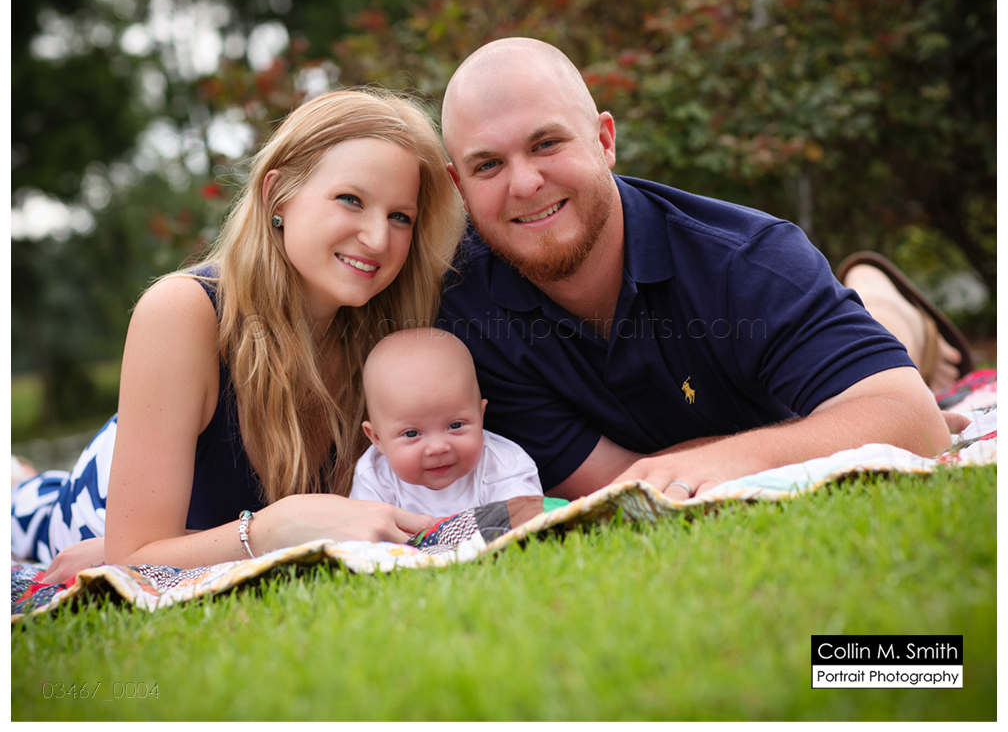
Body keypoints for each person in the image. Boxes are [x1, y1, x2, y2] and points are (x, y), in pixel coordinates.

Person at [436, 37, 964, 503]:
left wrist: (734, 457)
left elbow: (916, 424)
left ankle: (884, 297)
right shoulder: (464, 312)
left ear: (604, 141)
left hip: (788, 373)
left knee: (887, 338)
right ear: (459, 187)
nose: (524, 183)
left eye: (546, 144)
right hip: (775, 418)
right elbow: (622, 483)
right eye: (489, 165)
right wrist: (822, 434)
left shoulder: (748, 258)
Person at [12, 88, 467, 582]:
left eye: (400, 217)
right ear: (277, 194)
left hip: (168, 534)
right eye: (350, 200)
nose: (378, 239)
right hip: (84, 510)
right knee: (21, 506)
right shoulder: (185, 311)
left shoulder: (390, 335)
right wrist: (276, 527)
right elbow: (134, 557)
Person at [349, 327, 543, 515]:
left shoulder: (504, 466)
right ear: (377, 438)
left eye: (455, 425)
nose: (438, 447)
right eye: (411, 433)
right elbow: (365, 532)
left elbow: (524, 522)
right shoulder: (375, 477)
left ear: (480, 415)